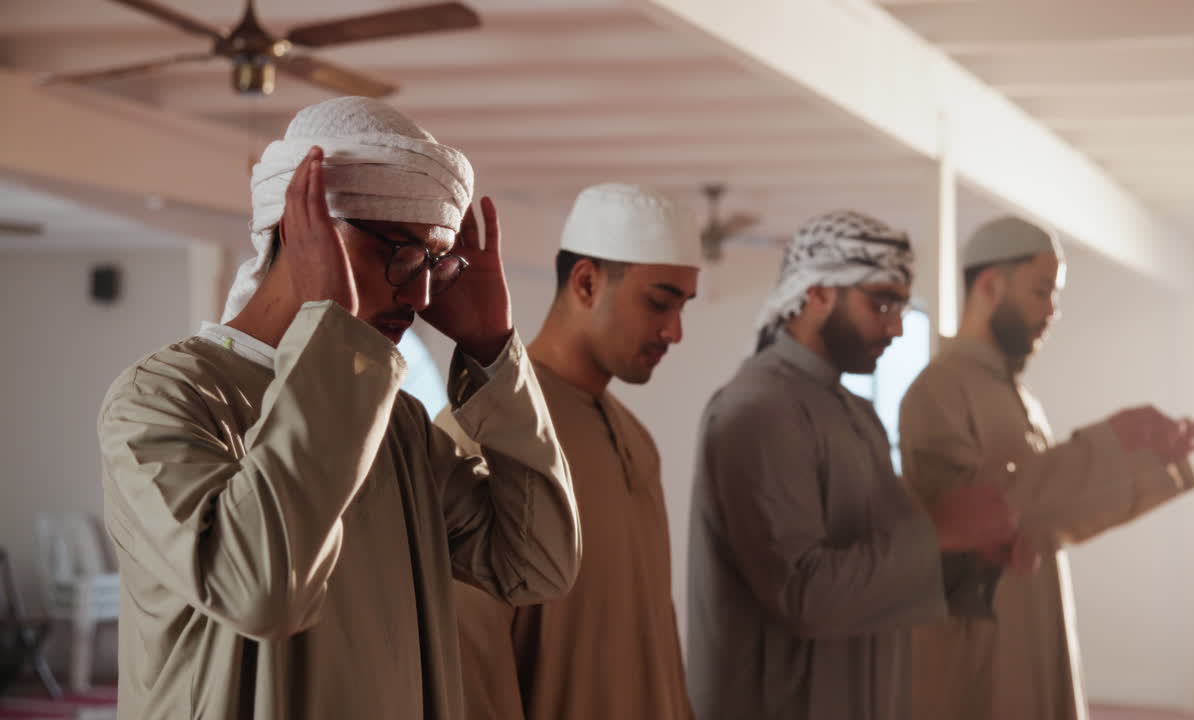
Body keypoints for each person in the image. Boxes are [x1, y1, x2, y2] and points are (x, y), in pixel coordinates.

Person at [97, 96, 581, 720]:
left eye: (436, 263)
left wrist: (493, 351)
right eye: (402, 252)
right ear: (305, 230)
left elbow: (535, 565)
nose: (423, 292)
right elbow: (261, 590)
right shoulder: (164, 398)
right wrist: (333, 340)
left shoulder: (394, 420)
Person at [686, 210, 1018, 720]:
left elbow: (880, 562)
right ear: (816, 293)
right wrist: (941, 534)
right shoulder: (759, 409)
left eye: (901, 307)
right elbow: (803, 594)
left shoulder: (854, 411)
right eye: (881, 303)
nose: (895, 327)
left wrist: (972, 553)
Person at [901, 215, 1194, 720]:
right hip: (978, 655)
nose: (1051, 311)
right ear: (989, 285)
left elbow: (1051, 516)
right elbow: (969, 520)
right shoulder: (938, 389)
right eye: (1041, 291)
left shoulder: (1017, 396)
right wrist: (1115, 443)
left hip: (1032, 628)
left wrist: (1146, 457)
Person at [442, 183, 698, 720]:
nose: (674, 331)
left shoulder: (635, 438)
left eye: (683, 307)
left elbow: (656, 641)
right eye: (659, 302)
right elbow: (467, 667)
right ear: (586, 282)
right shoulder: (485, 429)